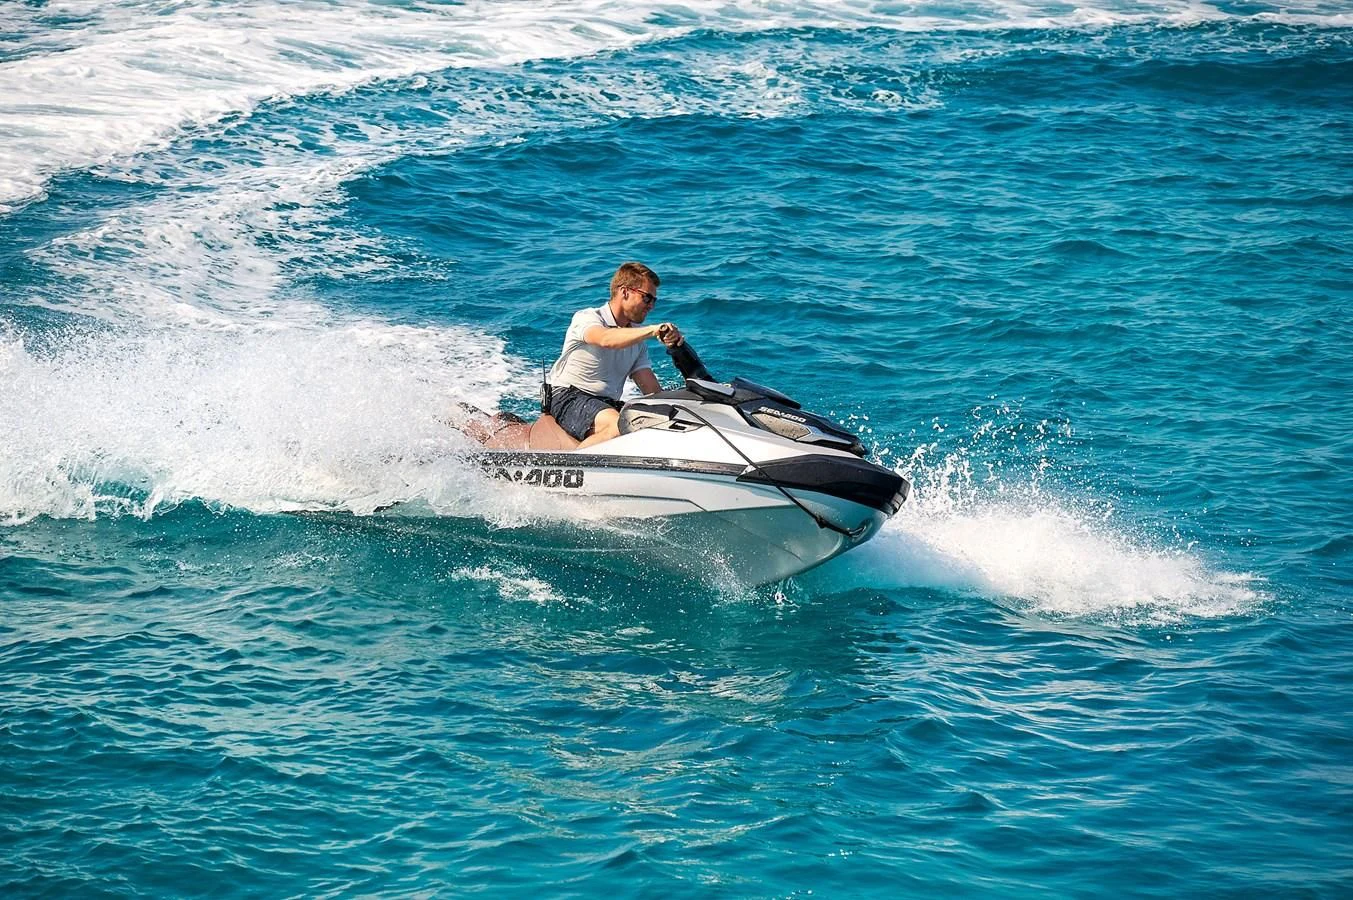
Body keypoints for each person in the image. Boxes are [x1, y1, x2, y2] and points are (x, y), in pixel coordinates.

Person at [545, 262, 683, 448]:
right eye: (647, 298)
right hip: (567, 396)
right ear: (625, 292)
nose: (651, 306)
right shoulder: (588, 318)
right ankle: (570, 463)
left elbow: (652, 391)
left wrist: (679, 409)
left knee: (655, 423)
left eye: (654, 300)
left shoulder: (637, 341)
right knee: (619, 426)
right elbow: (606, 339)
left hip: (605, 403)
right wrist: (653, 330)